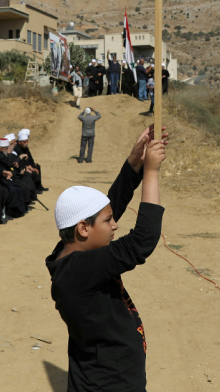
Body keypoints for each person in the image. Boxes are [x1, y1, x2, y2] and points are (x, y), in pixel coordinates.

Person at [46, 126, 167, 392]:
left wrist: (134, 162)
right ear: (83, 228)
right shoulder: (79, 270)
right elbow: (141, 241)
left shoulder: (69, 252)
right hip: (111, 383)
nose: (115, 225)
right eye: (108, 221)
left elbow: (109, 205)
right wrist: (151, 172)